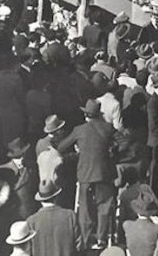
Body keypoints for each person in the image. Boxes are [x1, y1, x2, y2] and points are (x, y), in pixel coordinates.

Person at [58, 97, 115, 247]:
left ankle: (84, 238)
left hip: (85, 173)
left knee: (85, 207)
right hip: (103, 172)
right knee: (103, 205)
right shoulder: (107, 127)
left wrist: (78, 152)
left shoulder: (79, 130)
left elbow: (61, 147)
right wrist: (109, 153)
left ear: (86, 115)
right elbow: (123, 142)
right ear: (99, 114)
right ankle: (102, 239)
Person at [25, 180, 81, 256]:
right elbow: (79, 246)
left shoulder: (31, 221)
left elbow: (28, 251)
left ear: (40, 201)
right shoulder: (70, 216)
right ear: (56, 197)